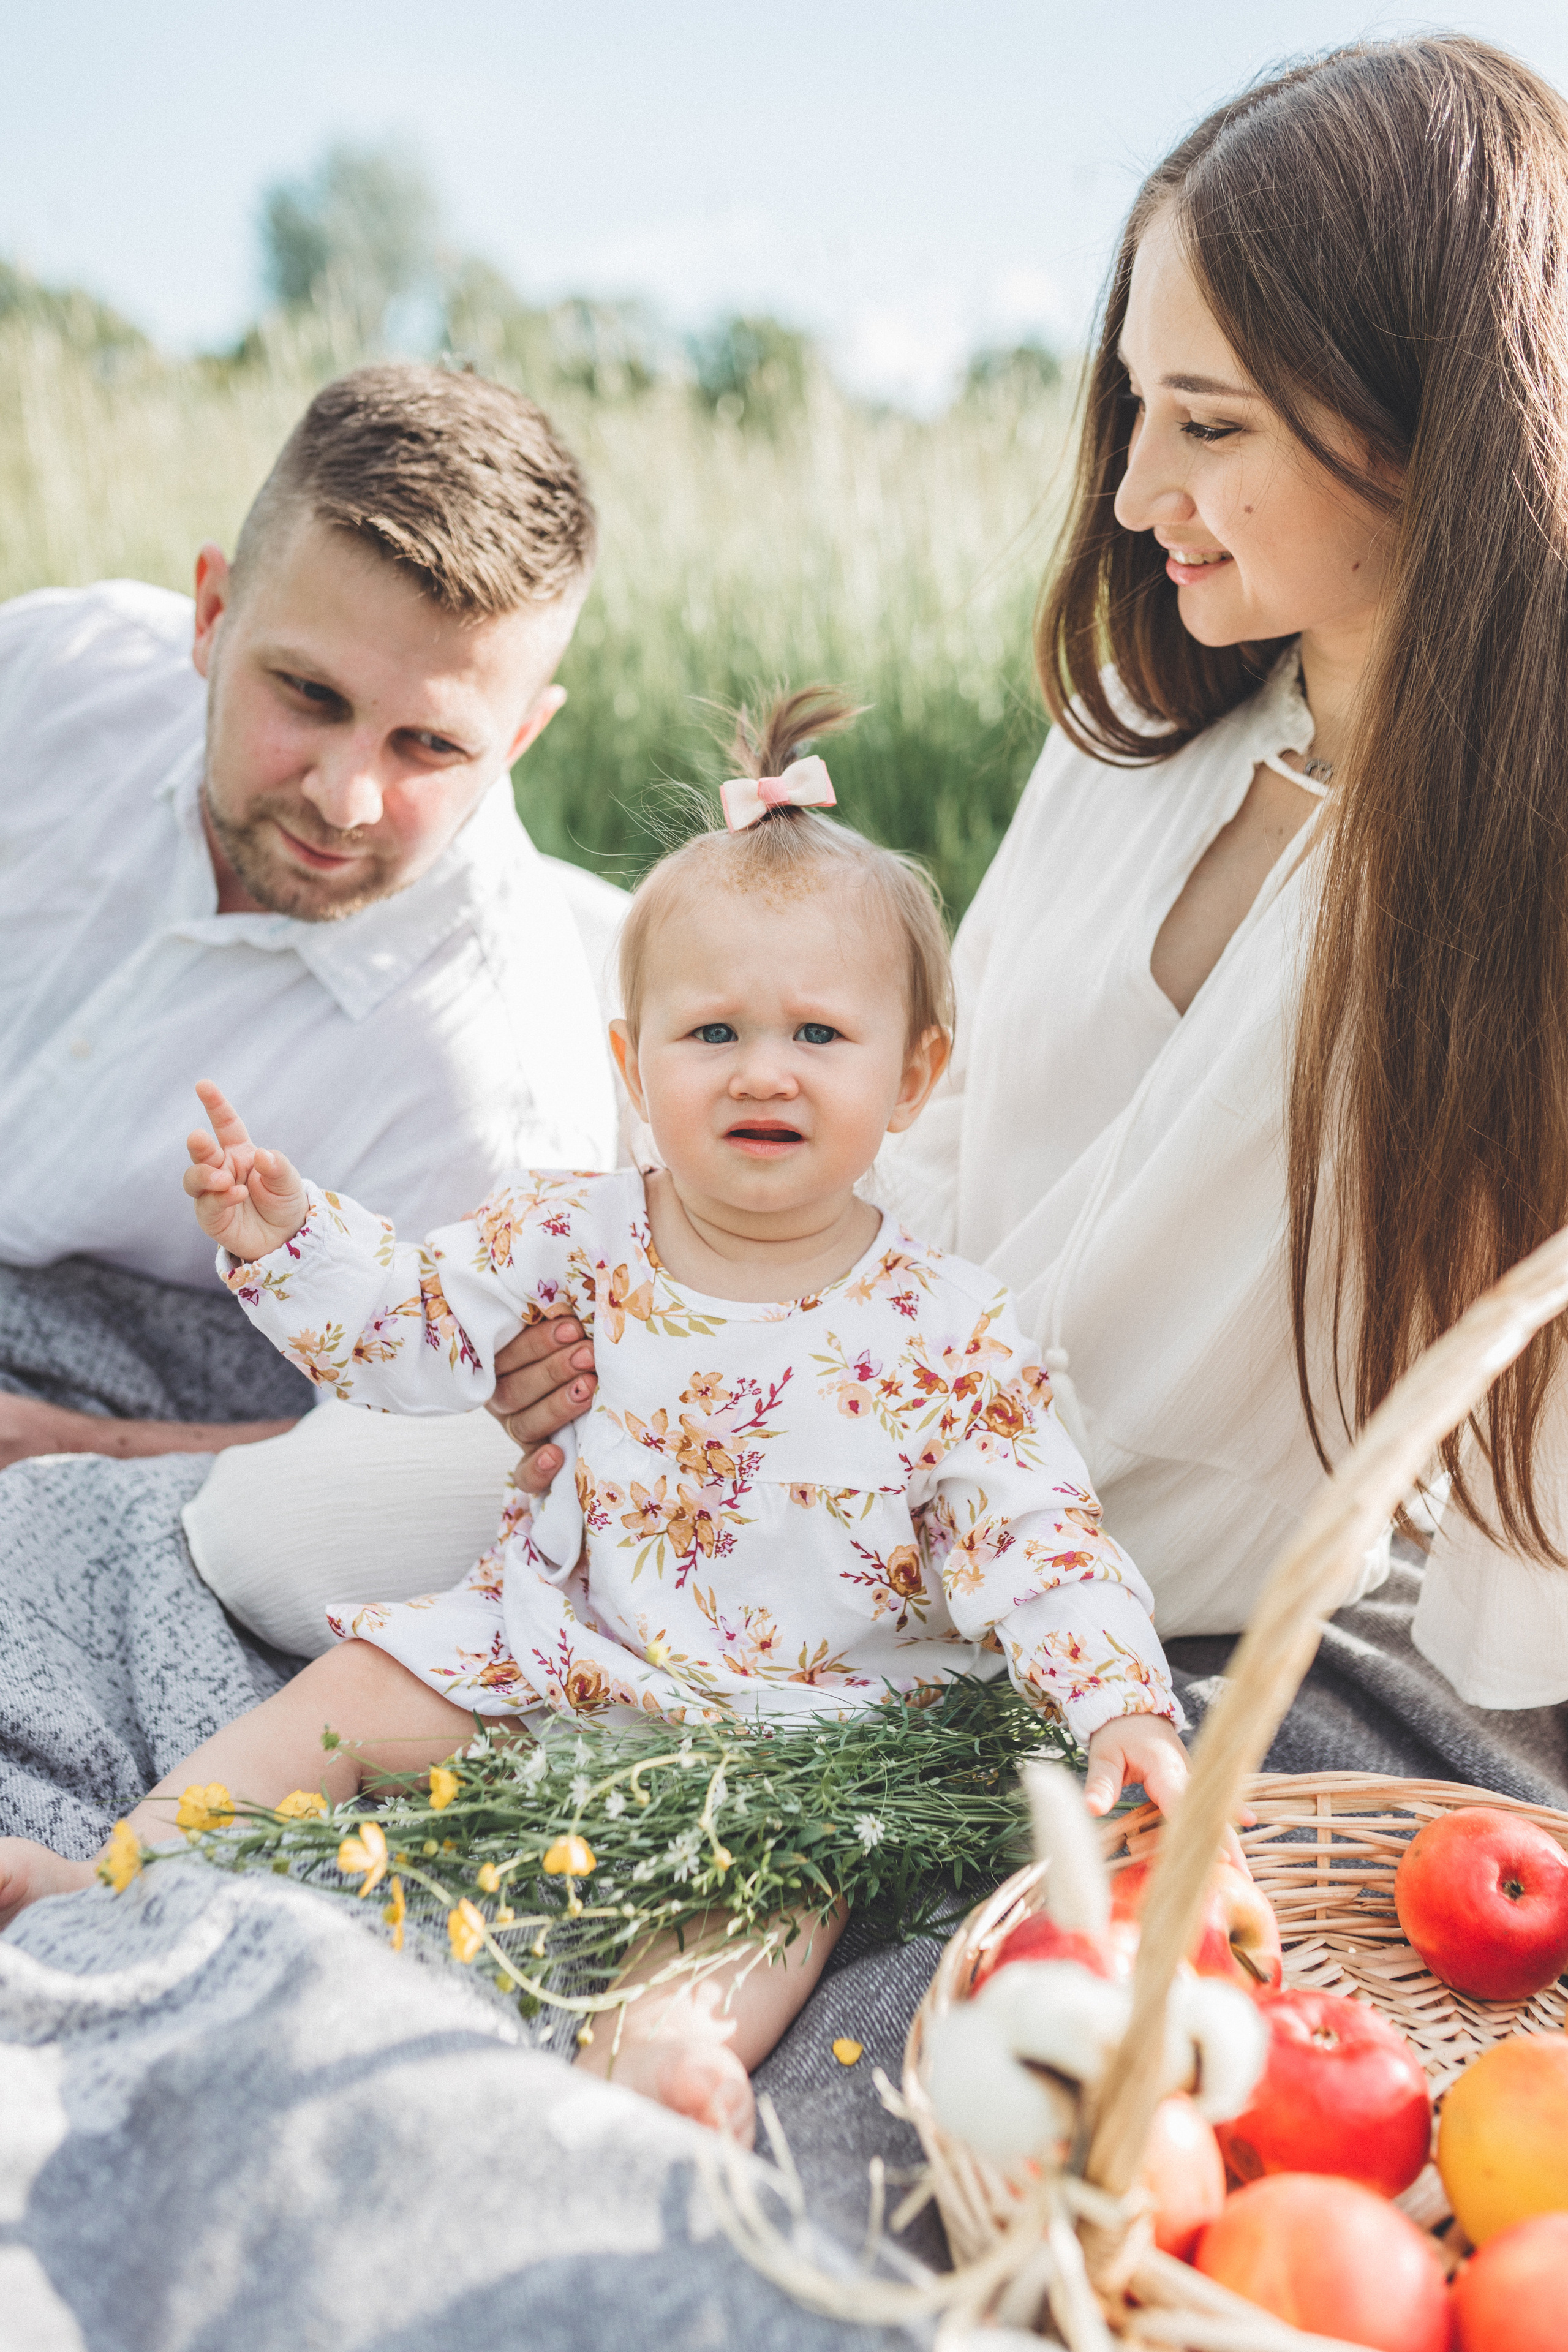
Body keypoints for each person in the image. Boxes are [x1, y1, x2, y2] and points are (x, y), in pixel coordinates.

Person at [492, 36, 1568, 1754]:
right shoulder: (1141, 739)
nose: (1140, 493)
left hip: (1095, 1578)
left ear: (1436, 421)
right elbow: (933, 1123)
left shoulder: (1519, 879)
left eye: (1209, 425)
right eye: (1139, 404)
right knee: (329, 1502)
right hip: (836, 1414)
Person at [0, 692, 1187, 2143]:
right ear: (634, 1071)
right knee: (350, 1699)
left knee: (765, 1895)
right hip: (557, 1643)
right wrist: (288, 1230)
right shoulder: (572, 1240)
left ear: (912, 1076)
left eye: (819, 1032)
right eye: (711, 1032)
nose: (763, 1067)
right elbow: (414, 1330)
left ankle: (655, 2071)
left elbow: (1040, 1540)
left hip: (794, 1729)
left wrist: (1119, 1703)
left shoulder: (946, 1326)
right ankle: (120, 1866)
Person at [0, 360, 621, 1471]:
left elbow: (449, 1453)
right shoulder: (54, 672)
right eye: (310, 696)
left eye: (430, 744)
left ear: (519, 739)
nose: (345, 800)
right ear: (210, 614)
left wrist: (79, 1446)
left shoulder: (501, 1095)